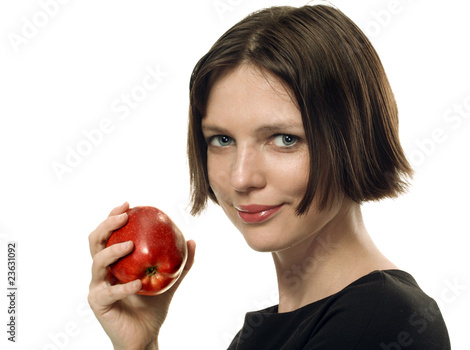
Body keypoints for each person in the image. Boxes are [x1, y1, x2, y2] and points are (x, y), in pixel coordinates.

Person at [88, 4, 451, 349]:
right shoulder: (265, 333)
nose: (241, 178)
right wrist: (139, 345)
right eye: (222, 139)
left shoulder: (382, 322)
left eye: (284, 139)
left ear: (352, 139)